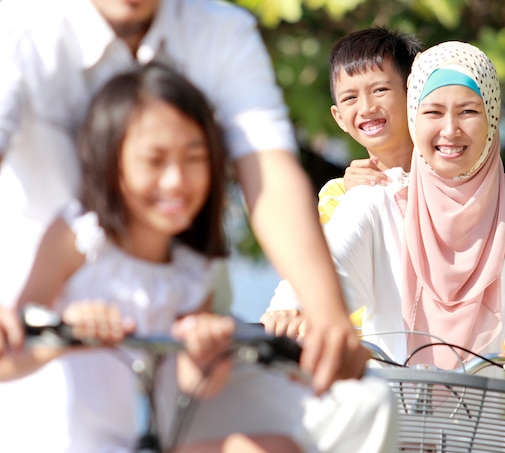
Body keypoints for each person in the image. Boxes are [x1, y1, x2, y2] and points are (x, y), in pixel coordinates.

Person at [0, 64, 397, 453]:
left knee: (274, 447)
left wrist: (205, 349)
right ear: (111, 161)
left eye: (194, 159)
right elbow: (10, 356)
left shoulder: (194, 264)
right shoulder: (78, 235)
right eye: (154, 161)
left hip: (166, 434)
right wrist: (65, 333)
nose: (176, 180)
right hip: (77, 440)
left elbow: (198, 385)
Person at [0, 0, 364, 394]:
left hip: (174, 342)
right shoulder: (19, 28)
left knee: (359, 404)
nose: (174, 181)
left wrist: (327, 314)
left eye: (194, 157)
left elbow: (269, 172)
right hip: (29, 327)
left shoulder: (221, 30)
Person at [269, 40, 505, 452]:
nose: (450, 130)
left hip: (494, 432)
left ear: (493, 118)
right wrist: (291, 306)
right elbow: (329, 263)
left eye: (469, 111)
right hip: (392, 424)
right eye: (434, 112)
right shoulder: (374, 199)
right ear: (414, 117)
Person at [262, 27, 505, 335]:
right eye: (350, 97)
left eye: (380, 90)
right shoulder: (346, 194)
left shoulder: (488, 193)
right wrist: (290, 305)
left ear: (413, 96)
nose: (366, 107)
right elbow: (323, 262)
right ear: (338, 116)